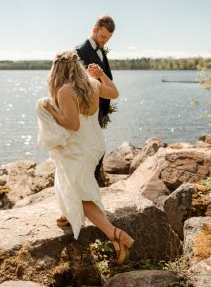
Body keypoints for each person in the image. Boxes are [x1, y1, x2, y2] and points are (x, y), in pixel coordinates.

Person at [42, 50, 134, 265]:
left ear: (57, 69)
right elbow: (114, 93)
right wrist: (101, 74)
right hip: (95, 144)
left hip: (79, 147)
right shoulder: (91, 84)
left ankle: (116, 235)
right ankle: (69, 213)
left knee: (79, 193)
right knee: (74, 182)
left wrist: (50, 110)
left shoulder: (65, 90)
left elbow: (72, 124)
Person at [76, 15, 115, 185]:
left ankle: (93, 188)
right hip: (86, 112)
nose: (104, 41)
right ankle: (88, 190)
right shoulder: (79, 51)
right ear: (94, 30)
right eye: (103, 36)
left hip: (98, 112)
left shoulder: (100, 50)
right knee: (91, 152)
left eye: (108, 38)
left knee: (97, 151)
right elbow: (74, 83)